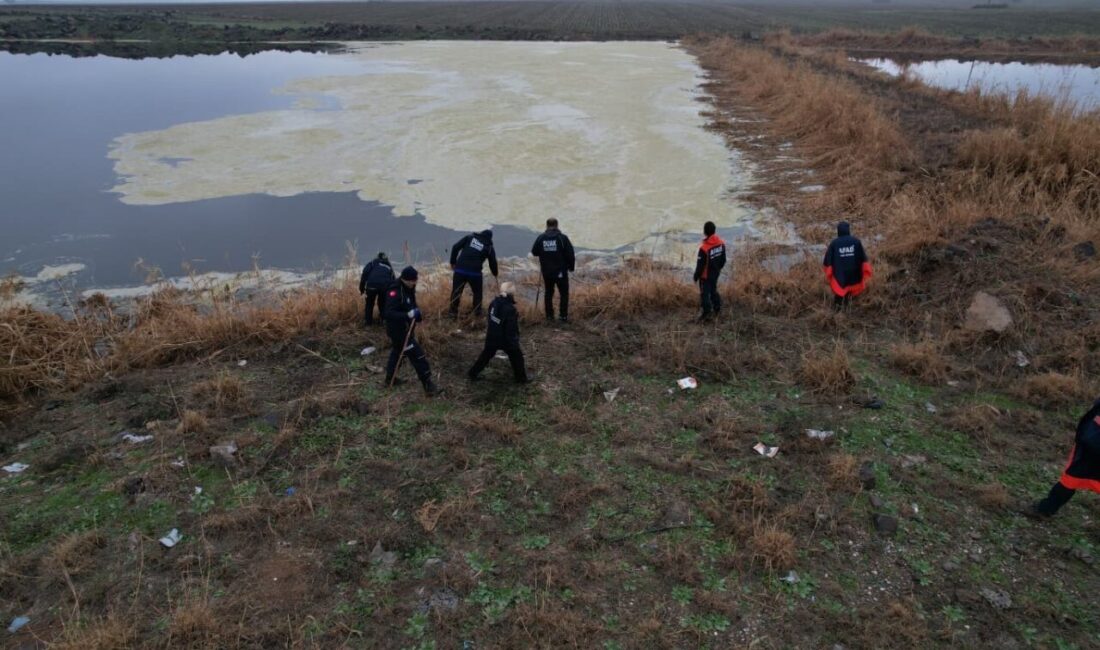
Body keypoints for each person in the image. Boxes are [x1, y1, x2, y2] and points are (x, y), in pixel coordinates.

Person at [1028, 399, 1100, 518]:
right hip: (1090, 446)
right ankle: (1046, 509)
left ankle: (1046, 509)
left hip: (1090, 445)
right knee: (1071, 478)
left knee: (1072, 477)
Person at [382, 266, 443, 396]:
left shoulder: (409, 288)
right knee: (417, 355)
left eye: (416, 280)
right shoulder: (395, 291)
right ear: (405, 279)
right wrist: (407, 315)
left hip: (406, 328)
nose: (415, 283)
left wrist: (417, 314)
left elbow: (411, 304)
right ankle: (428, 385)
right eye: (412, 281)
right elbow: (388, 313)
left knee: (397, 352)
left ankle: (389, 379)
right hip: (398, 331)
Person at [467, 282, 529, 384]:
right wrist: (514, 341)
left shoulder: (494, 302)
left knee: (486, 355)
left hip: (492, 335)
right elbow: (511, 329)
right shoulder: (510, 309)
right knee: (517, 357)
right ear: (512, 294)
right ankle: (521, 379)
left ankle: (472, 373)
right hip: (505, 339)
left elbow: (490, 318)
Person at [530, 218, 575, 323]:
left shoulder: (541, 238)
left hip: (546, 272)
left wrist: (544, 252)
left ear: (547, 226)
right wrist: (571, 267)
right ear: (557, 225)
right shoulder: (562, 238)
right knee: (564, 294)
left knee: (549, 293)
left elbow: (534, 252)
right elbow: (570, 254)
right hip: (561, 272)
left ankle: (549, 316)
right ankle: (563, 317)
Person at [823, 221, 872, 311]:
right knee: (851, 291)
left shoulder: (834, 243)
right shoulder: (856, 241)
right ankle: (850, 308)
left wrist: (828, 271)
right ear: (848, 230)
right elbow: (863, 259)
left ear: (838, 231)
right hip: (854, 273)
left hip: (839, 274)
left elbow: (827, 261)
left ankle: (838, 311)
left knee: (839, 294)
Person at [449, 229, 499, 318]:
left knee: (456, 292)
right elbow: (493, 263)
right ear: (489, 238)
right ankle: (477, 313)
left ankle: (452, 313)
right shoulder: (489, 248)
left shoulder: (469, 238)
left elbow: (455, 247)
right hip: (475, 274)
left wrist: (453, 262)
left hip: (460, 270)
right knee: (477, 294)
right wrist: (495, 273)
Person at [692, 221, 726, 322]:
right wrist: (718, 269)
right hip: (715, 273)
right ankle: (717, 308)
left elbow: (700, 266)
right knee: (713, 290)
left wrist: (696, 276)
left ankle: (706, 313)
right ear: (714, 231)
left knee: (704, 294)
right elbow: (723, 260)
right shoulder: (721, 243)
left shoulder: (704, 249)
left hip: (705, 276)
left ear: (704, 232)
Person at [359, 252, 395, 326]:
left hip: (371, 285)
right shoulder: (389, 266)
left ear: (377, 257)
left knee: (369, 304)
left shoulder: (372, 263)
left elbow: (364, 274)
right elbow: (393, 280)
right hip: (384, 286)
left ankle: (368, 323)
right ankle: (384, 320)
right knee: (383, 303)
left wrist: (362, 289)